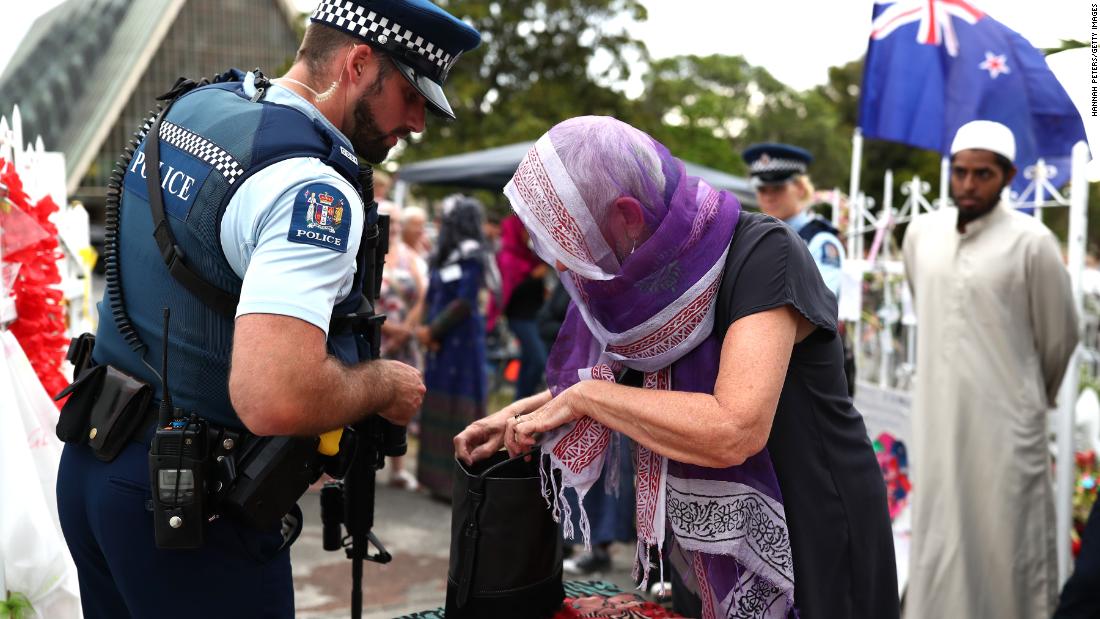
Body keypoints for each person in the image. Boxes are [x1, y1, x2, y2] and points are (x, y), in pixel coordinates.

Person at [54, 2, 479, 617]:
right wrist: (383, 383)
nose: (416, 122)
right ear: (358, 64)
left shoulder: (195, 107)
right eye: (411, 94)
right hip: (187, 513)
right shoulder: (312, 188)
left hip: (97, 463)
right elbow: (274, 396)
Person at [454, 116, 898, 618]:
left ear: (628, 215)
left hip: (810, 526)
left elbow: (735, 427)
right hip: (705, 544)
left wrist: (583, 400)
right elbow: (624, 376)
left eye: (571, 241)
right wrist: (516, 415)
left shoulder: (764, 254)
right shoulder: (651, 279)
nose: (562, 266)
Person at [902, 119, 1079, 619]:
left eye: (982, 174)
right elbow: (926, 303)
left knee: (1006, 540)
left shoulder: (1032, 243)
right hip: (939, 417)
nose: (968, 185)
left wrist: (1022, 396)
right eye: (960, 172)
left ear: (1008, 176)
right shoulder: (921, 233)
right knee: (941, 531)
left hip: (1006, 425)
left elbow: (1060, 337)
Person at [415, 195, 491, 500]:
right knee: (437, 403)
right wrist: (427, 330)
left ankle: (456, 482)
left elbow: (463, 302)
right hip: (441, 345)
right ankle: (435, 479)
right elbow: (434, 296)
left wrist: (432, 330)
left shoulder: (471, 255)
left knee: (457, 406)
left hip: (460, 346)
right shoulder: (446, 255)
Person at [741, 143, 844, 299]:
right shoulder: (751, 236)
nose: (768, 196)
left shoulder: (820, 240)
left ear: (800, 188)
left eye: (777, 188)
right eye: (762, 189)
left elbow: (819, 304)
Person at [377, 201, 427, 490]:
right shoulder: (365, 251)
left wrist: (404, 331)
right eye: (388, 221)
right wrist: (390, 330)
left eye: (396, 222)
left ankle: (398, 467)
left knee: (403, 397)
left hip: (404, 341)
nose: (392, 227)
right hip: (375, 335)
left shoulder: (411, 256)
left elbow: (422, 295)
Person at [495, 215, 549, 399]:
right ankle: (522, 400)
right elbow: (509, 292)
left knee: (529, 360)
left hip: (533, 316)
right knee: (538, 360)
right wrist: (533, 277)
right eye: (525, 230)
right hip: (519, 317)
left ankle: (520, 404)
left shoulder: (528, 256)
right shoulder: (508, 257)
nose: (528, 234)